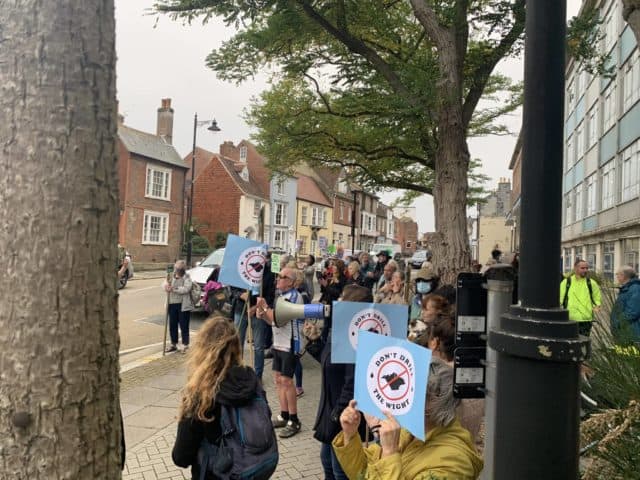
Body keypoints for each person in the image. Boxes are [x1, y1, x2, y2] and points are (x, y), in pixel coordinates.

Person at [333, 357, 483, 479]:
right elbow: (364, 474)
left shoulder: (453, 463)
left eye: (410, 394)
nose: (398, 400)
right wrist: (350, 435)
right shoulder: (410, 432)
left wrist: (390, 453)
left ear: (435, 402)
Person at [171, 316, 266, 479]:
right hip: (251, 467)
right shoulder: (250, 379)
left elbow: (181, 457)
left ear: (202, 349)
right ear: (236, 346)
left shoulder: (200, 392)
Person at [309, 284, 372, 480]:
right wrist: (314, 342)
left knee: (340, 470)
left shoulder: (359, 338)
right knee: (327, 461)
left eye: (343, 299)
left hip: (343, 413)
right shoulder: (342, 330)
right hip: (332, 410)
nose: (338, 303)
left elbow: (352, 381)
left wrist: (339, 413)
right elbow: (328, 362)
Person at [416, 315, 485, 454]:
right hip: (467, 450)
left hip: (434, 454)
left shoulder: (431, 384)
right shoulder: (475, 378)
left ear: (434, 342)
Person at [256, 267, 304, 438]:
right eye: (278, 277)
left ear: (291, 281)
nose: (277, 280)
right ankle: (284, 414)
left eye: (281, 277)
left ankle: (294, 419)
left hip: (290, 344)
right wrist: (262, 315)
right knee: (278, 379)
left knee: (287, 381)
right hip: (279, 343)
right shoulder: (281, 296)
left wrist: (265, 306)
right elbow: (273, 322)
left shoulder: (294, 297)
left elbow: (279, 319)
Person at [560, 259, 602, 336]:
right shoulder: (566, 282)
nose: (585, 270)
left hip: (586, 320)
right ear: (575, 268)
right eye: (582, 268)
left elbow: (597, 298)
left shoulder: (591, 283)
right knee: (570, 342)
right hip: (570, 319)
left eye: (587, 268)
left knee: (583, 344)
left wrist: (597, 306)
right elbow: (559, 299)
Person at [164, 260, 194, 353]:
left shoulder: (187, 277)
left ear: (183, 269)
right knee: (172, 325)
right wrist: (166, 286)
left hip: (182, 305)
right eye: (176, 268)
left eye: (179, 269)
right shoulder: (170, 275)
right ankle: (174, 344)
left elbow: (186, 289)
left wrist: (174, 289)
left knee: (184, 325)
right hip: (171, 303)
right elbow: (164, 284)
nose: (177, 270)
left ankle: (185, 344)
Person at [610, 265, 640, 341]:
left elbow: (632, 312)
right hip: (624, 331)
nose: (617, 276)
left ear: (623, 276)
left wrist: (617, 323)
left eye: (617, 274)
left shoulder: (635, 289)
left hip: (630, 332)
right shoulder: (627, 288)